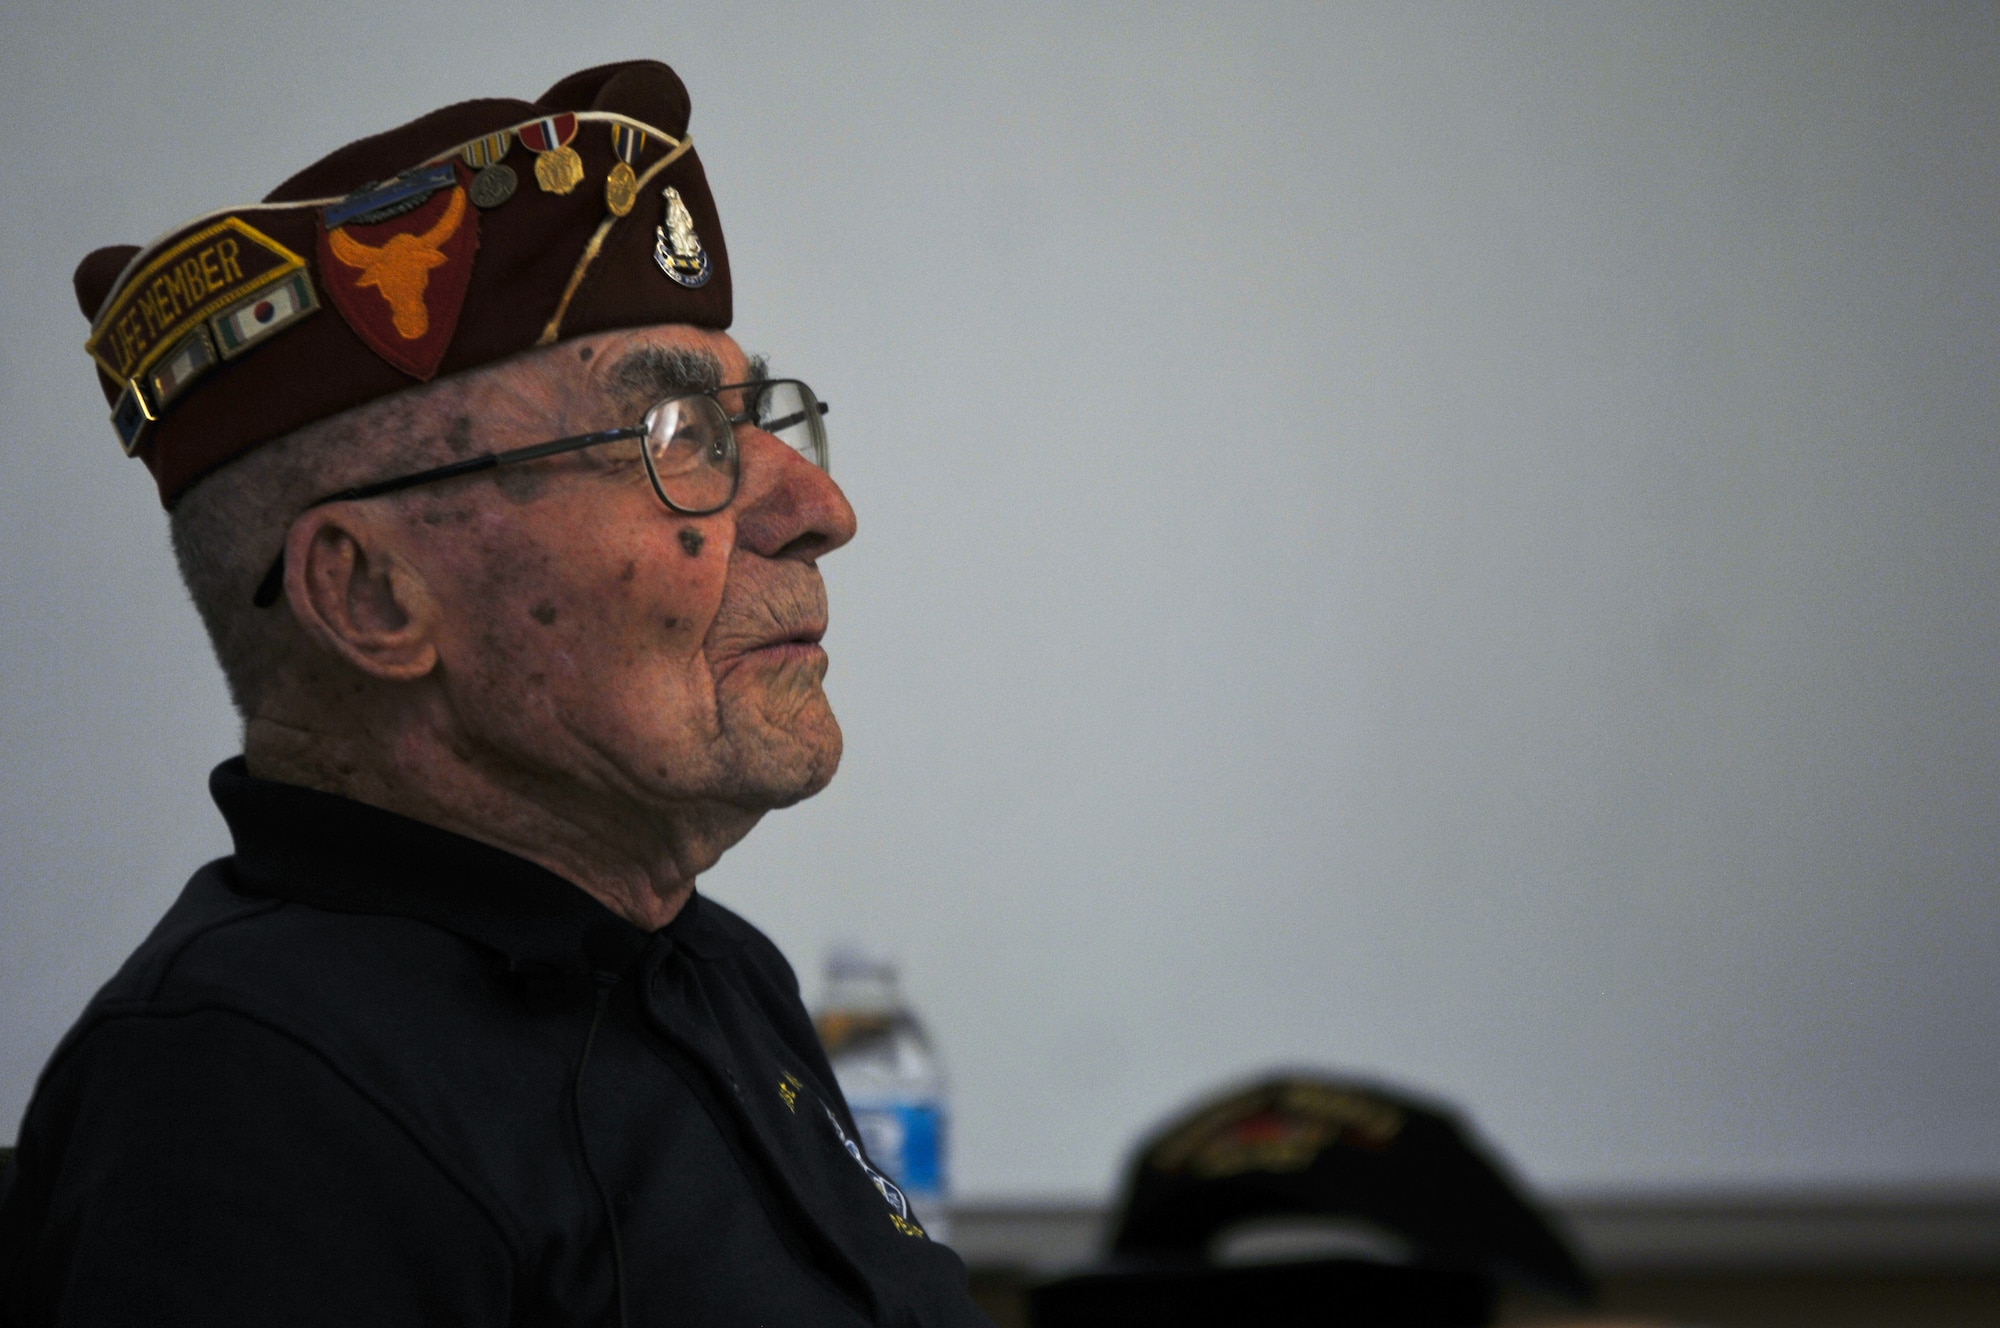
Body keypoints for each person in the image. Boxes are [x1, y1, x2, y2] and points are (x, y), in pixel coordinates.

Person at [0, 59, 988, 1326]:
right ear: (370, 597)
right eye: (681, 442)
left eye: (758, 423)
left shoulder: (707, 970)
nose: (818, 509)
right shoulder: (242, 1095)